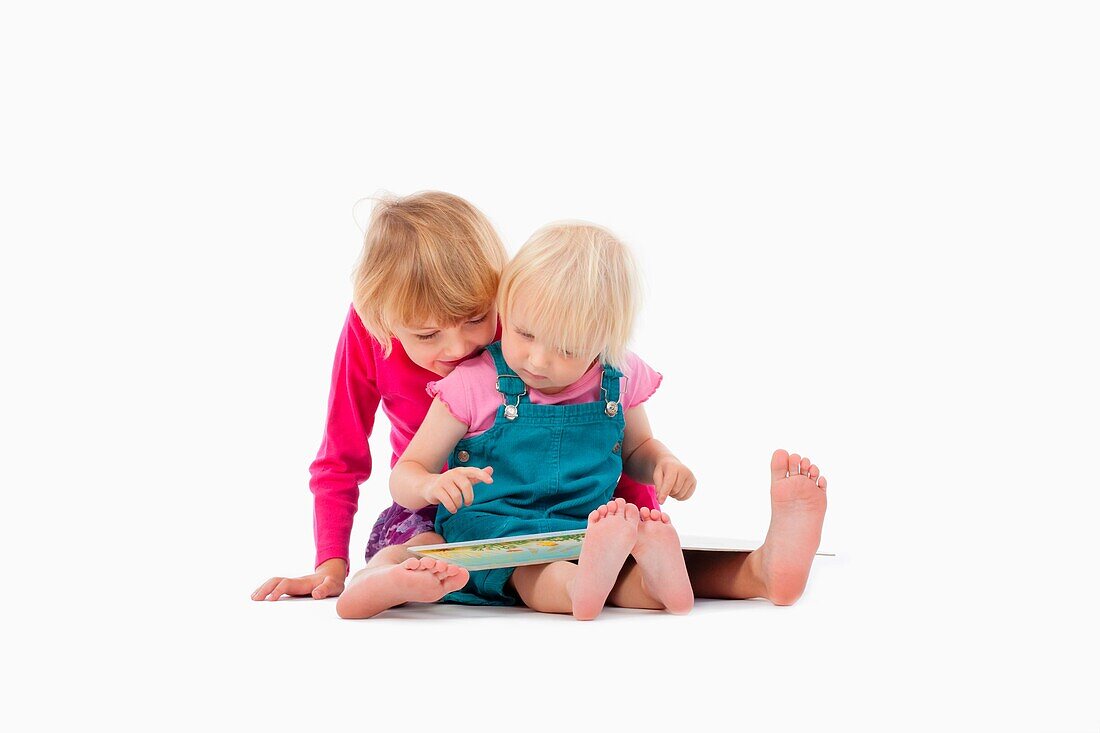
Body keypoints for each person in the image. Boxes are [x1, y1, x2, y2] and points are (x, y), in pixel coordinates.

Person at [251, 192, 658, 605]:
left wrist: (648, 519)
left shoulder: (525, 333)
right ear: (379, 318)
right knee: (420, 543)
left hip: (526, 506)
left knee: (572, 560)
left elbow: (602, 430)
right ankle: (381, 581)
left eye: (477, 319)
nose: (458, 347)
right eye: (427, 335)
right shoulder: (368, 332)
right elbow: (342, 454)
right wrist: (329, 567)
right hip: (425, 498)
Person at [337, 221, 696, 620]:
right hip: (488, 529)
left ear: (605, 342)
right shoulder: (475, 382)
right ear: (505, 308)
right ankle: (378, 580)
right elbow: (406, 473)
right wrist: (432, 484)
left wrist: (663, 464)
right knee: (421, 546)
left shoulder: (618, 376)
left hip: (575, 527)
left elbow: (639, 449)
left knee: (587, 570)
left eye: (568, 348)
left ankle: (655, 588)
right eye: (524, 333)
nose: (539, 360)